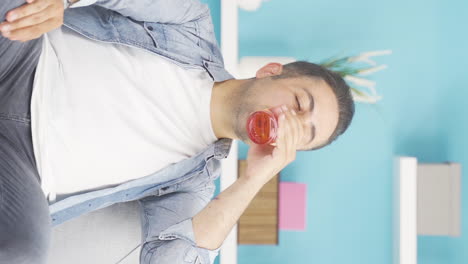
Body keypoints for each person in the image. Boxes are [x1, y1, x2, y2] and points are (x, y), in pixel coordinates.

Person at [0, 0, 355, 263]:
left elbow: (169, 258)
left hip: (22, 168)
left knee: (23, 251)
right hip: (22, 60)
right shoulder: (190, 24)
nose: (286, 122)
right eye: (298, 103)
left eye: (299, 135)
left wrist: (255, 179)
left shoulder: (192, 184)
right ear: (271, 70)